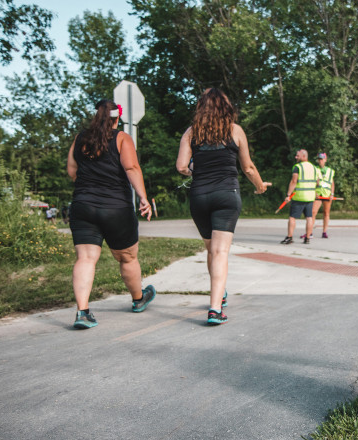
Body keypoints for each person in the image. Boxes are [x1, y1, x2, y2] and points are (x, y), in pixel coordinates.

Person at [176, 88, 270, 325]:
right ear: (226, 107)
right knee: (220, 252)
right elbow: (248, 167)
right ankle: (215, 308)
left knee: (211, 250)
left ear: (201, 107)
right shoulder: (235, 130)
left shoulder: (191, 132)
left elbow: (181, 167)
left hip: (200, 196)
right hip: (227, 195)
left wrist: (197, 170)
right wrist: (260, 187)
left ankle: (220, 294)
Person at [66, 99, 156, 329]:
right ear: (118, 118)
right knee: (127, 257)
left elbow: (72, 171)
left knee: (86, 258)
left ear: (96, 117)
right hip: (116, 208)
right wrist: (143, 198)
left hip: (83, 206)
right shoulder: (122, 138)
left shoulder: (80, 138)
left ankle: (83, 312)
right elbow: (131, 168)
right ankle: (138, 299)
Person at [280, 149, 320, 245]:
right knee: (309, 217)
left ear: (303, 156)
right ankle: (307, 238)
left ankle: (289, 237)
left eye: (297, 156)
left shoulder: (298, 167)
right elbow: (318, 182)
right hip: (310, 197)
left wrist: (289, 195)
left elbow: (294, 181)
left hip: (299, 197)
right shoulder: (314, 168)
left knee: (292, 217)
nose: (296, 157)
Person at [312, 152, 335, 238]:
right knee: (313, 212)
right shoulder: (315, 169)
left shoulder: (330, 171)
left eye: (321, 159)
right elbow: (313, 182)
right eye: (319, 159)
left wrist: (332, 194)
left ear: (325, 160)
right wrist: (315, 192)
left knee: (326, 213)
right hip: (318, 194)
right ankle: (309, 232)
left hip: (327, 194)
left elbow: (332, 183)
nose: (320, 161)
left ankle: (324, 232)